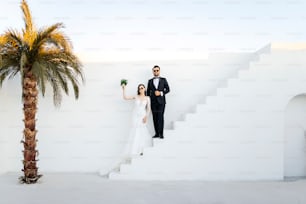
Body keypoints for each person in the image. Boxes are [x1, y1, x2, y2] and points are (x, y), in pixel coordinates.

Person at [122, 83, 152, 157]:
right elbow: (125, 98)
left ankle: (141, 149)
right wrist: (124, 89)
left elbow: (149, 108)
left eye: (142, 88)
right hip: (135, 115)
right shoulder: (136, 97)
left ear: (144, 89)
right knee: (135, 131)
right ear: (138, 90)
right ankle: (134, 150)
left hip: (142, 116)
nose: (141, 89)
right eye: (139, 88)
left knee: (142, 131)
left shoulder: (147, 98)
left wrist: (146, 117)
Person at [147, 65, 170, 139]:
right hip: (153, 102)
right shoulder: (150, 81)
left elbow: (168, 89)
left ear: (159, 71)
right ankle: (156, 133)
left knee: (160, 117)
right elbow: (148, 93)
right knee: (154, 118)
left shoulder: (163, 80)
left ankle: (161, 133)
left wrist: (160, 93)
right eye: (154, 70)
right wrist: (148, 102)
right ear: (152, 71)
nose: (156, 71)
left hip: (161, 102)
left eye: (157, 70)